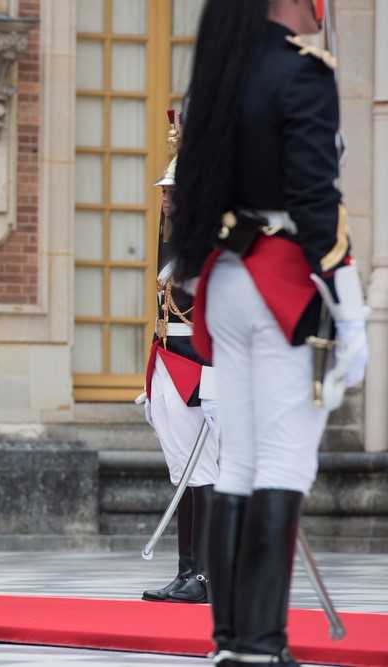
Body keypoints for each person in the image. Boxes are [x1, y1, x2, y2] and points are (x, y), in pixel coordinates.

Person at [169, 0, 367, 664]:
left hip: (224, 278)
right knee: (284, 462)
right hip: (282, 277)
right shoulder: (301, 72)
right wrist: (348, 299)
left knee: (242, 463)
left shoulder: (219, 70)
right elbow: (316, 197)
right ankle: (260, 642)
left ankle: (231, 640)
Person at [140, 113, 220, 605]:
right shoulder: (173, 239)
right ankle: (186, 571)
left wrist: (216, 376)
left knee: (204, 472)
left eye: (173, 191)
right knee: (183, 475)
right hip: (170, 362)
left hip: (201, 367)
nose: (165, 198)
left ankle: (206, 576)